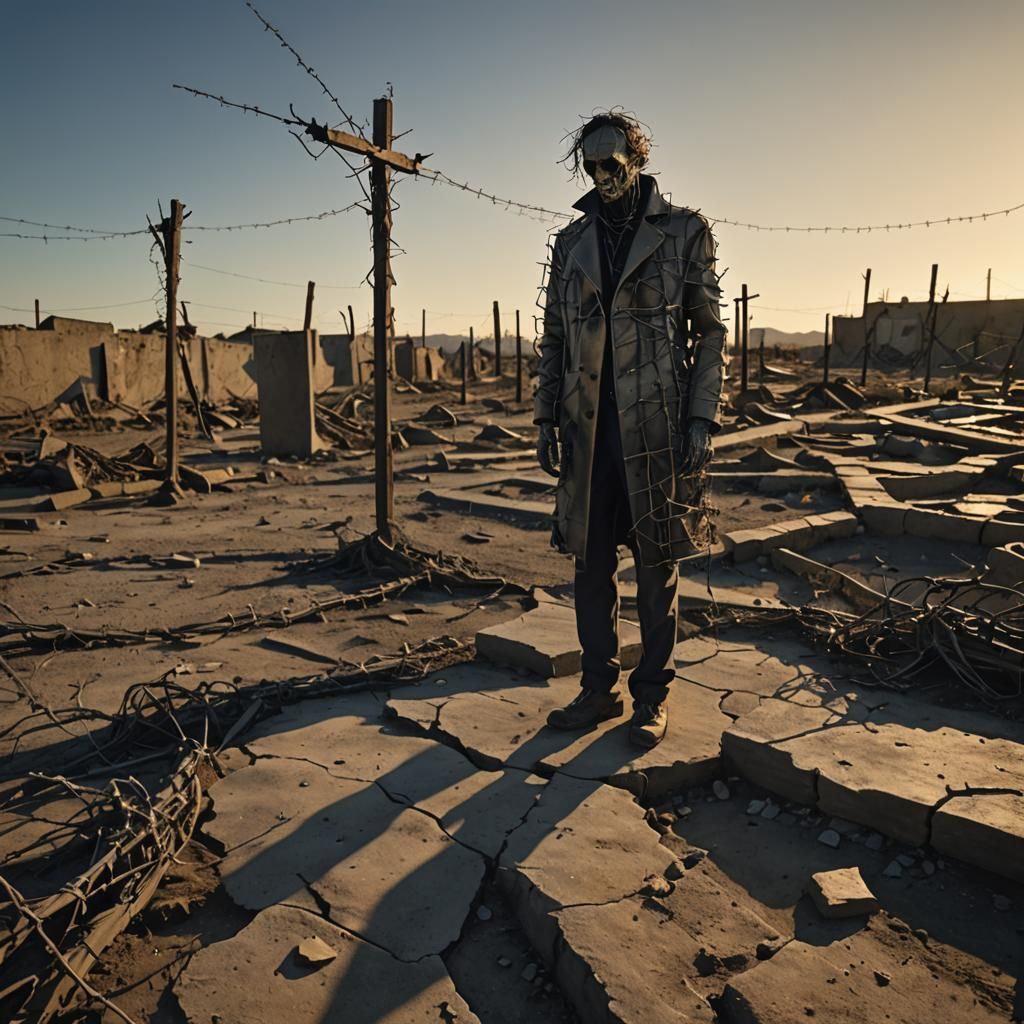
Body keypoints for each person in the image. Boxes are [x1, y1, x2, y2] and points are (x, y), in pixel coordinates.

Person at [534, 111, 726, 749]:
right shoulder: (570, 244)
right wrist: (544, 417)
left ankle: (652, 696)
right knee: (589, 564)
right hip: (588, 433)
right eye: (590, 167)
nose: (601, 177)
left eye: (611, 165)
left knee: (656, 566)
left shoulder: (683, 234)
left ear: (637, 158)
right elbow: (555, 338)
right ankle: (598, 688)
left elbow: (709, 333)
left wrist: (701, 416)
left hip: (656, 428)